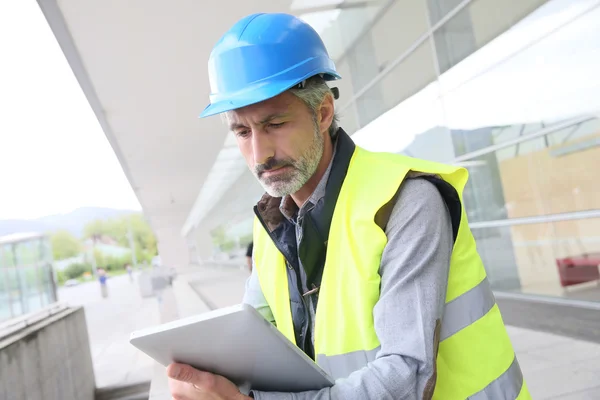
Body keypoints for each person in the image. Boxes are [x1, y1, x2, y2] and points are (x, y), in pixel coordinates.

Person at [167, 12, 531, 400]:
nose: (260, 154)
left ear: (322, 112)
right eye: (242, 131)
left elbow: (406, 375)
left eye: (275, 124)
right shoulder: (271, 221)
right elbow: (253, 335)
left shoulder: (405, 200)